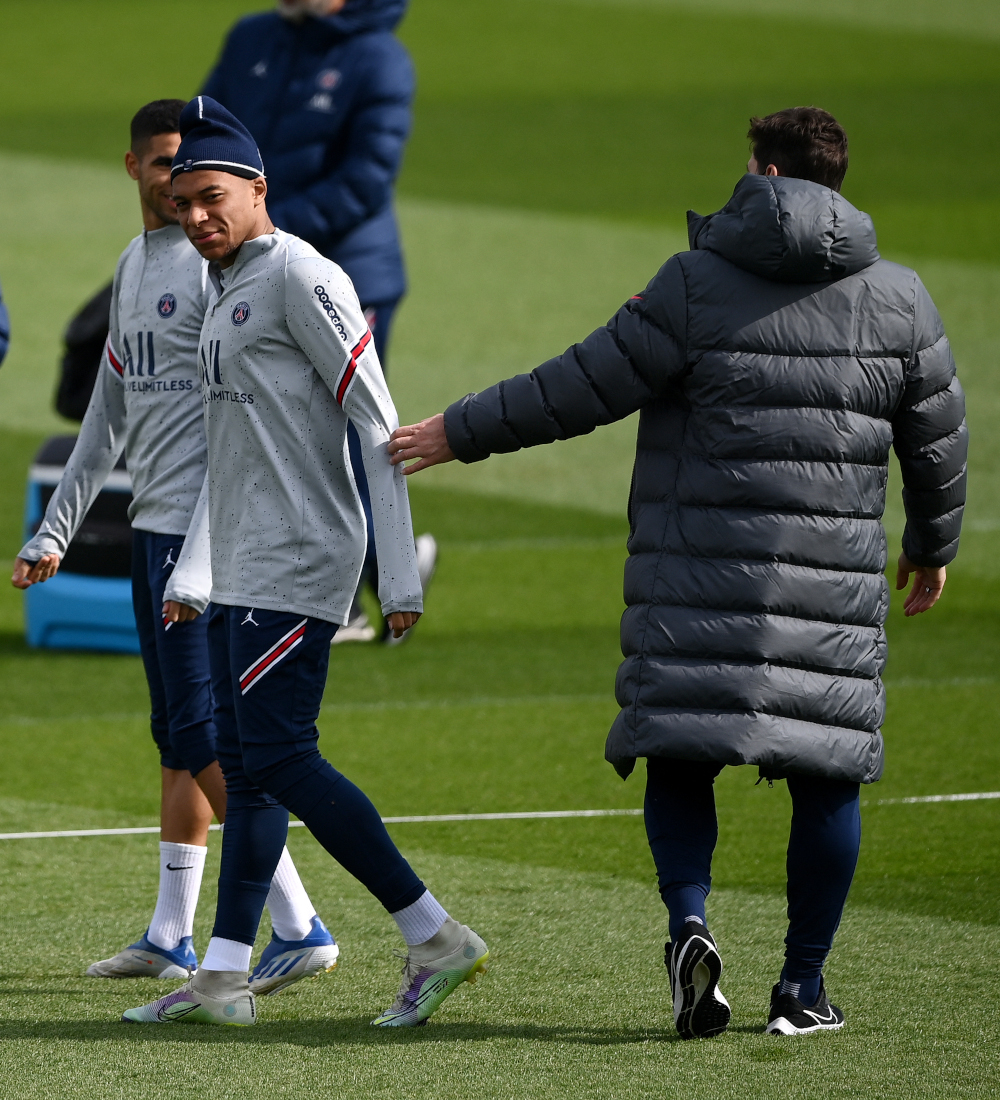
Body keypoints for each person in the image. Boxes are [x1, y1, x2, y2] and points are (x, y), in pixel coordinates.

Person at [387, 107, 968, 1039]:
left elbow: (580, 384)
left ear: (767, 175)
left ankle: (690, 925)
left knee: (682, 753)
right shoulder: (902, 298)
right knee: (826, 777)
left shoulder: (694, 285)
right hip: (830, 592)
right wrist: (932, 547)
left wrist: (456, 432)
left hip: (694, 578)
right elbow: (938, 440)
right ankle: (803, 990)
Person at [122, 97, 488, 1028]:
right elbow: (226, 448)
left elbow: (379, 418)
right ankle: (223, 978)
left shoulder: (302, 276)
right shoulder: (226, 288)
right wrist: (194, 573)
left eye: (212, 197)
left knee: (282, 757)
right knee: (246, 771)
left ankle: (435, 934)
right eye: (180, 202)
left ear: (257, 189)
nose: (195, 216)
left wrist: (397, 577)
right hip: (245, 564)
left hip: (303, 558)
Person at [13, 100, 338, 996]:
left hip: (209, 537)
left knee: (205, 731)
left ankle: (298, 921)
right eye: (161, 164)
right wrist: (56, 527)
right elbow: (109, 410)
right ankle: (170, 932)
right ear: (133, 169)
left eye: (189, 168)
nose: (175, 182)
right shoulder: (136, 265)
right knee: (174, 734)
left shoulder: (217, 272)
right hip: (150, 525)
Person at [202, 0, 436, 645]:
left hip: (340, 276)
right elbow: (205, 140)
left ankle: (378, 586)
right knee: (266, 424)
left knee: (341, 431)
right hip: (250, 268)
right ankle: (384, 572)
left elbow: (364, 180)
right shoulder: (254, 35)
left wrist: (261, 233)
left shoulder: (379, 58)